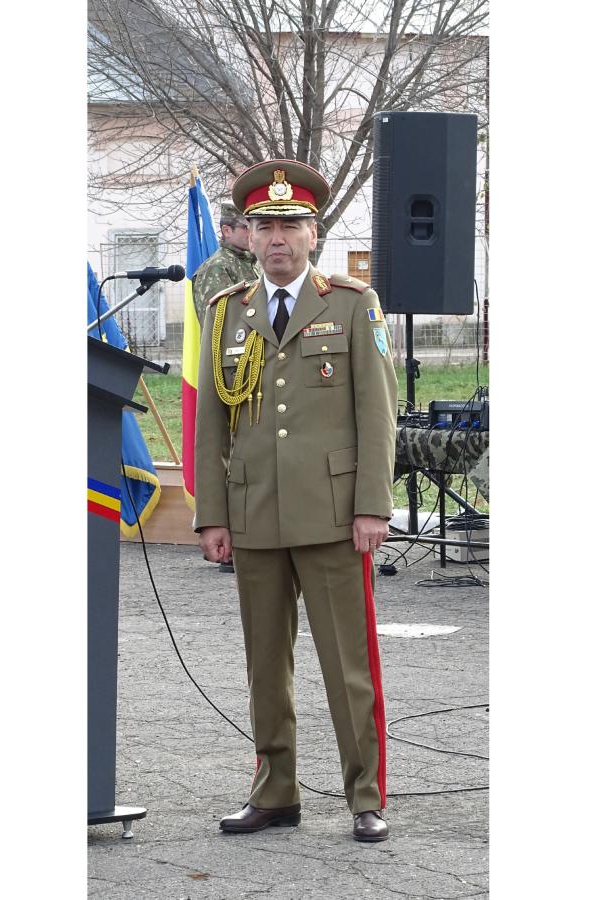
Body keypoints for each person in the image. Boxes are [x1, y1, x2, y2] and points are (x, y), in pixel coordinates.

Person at [193, 159, 398, 842]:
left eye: (290, 225)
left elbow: (377, 415)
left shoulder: (352, 304)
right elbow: (211, 424)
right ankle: (275, 791)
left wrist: (372, 506)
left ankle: (365, 796)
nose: (276, 237)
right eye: (264, 226)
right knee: (265, 667)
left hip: (335, 516)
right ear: (248, 237)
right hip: (254, 515)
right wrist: (213, 515)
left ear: (314, 234)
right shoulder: (227, 311)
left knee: (349, 667)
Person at [190, 202, 259, 322]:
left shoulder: (252, 261)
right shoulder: (216, 268)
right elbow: (219, 322)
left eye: (255, 226)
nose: (252, 233)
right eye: (246, 227)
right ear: (227, 231)